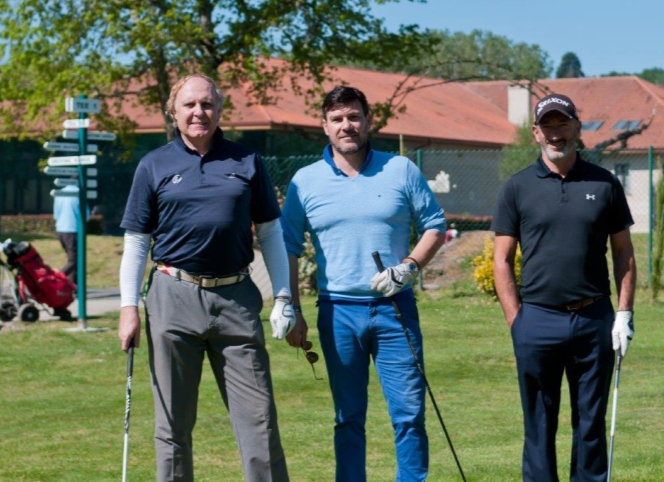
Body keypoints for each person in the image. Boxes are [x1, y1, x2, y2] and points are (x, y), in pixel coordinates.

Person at [117, 73, 295, 482]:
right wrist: (129, 308)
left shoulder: (247, 160)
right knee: (173, 426)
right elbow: (137, 241)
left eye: (208, 104)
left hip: (236, 298)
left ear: (220, 110)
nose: (199, 112)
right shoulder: (153, 164)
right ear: (174, 112)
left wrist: (283, 297)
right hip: (172, 298)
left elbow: (269, 233)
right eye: (190, 105)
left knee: (259, 421)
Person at [281, 85, 446, 482]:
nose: (346, 125)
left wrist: (408, 266)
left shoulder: (401, 169)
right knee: (348, 417)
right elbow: (286, 245)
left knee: (409, 414)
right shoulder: (305, 182)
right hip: (337, 313)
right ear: (325, 127)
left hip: (394, 310)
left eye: (353, 116)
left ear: (368, 121)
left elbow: (435, 227)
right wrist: (291, 306)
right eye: (337, 119)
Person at [492, 93, 636, 482]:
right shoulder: (517, 188)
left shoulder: (604, 183)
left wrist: (624, 314)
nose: (556, 133)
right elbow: (502, 260)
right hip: (537, 318)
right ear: (536, 132)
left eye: (563, 124)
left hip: (594, 319)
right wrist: (516, 322)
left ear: (576, 128)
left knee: (591, 420)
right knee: (538, 421)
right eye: (548, 126)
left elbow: (623, 252)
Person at [53, 180, 85, 283]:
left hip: (60, 229)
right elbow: (85, 214)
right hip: (72, 229)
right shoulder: (79, 193)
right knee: (74, 260)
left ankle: (71, 286)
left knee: (71, 259)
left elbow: (56, 214)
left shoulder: (60, 193)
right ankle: (54, 279)